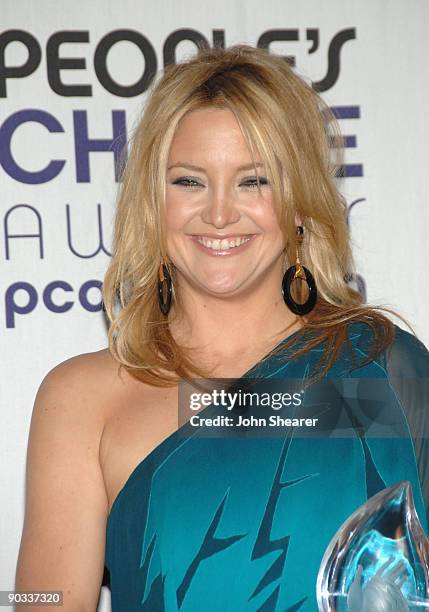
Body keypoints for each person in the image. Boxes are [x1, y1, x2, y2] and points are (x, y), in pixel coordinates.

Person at [15, 44, 429, 611]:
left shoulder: (383, 367)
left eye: (253, 181)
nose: (218, 214)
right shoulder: (85, 401)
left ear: (301, 202)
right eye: (189, 181)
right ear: (151, 202)